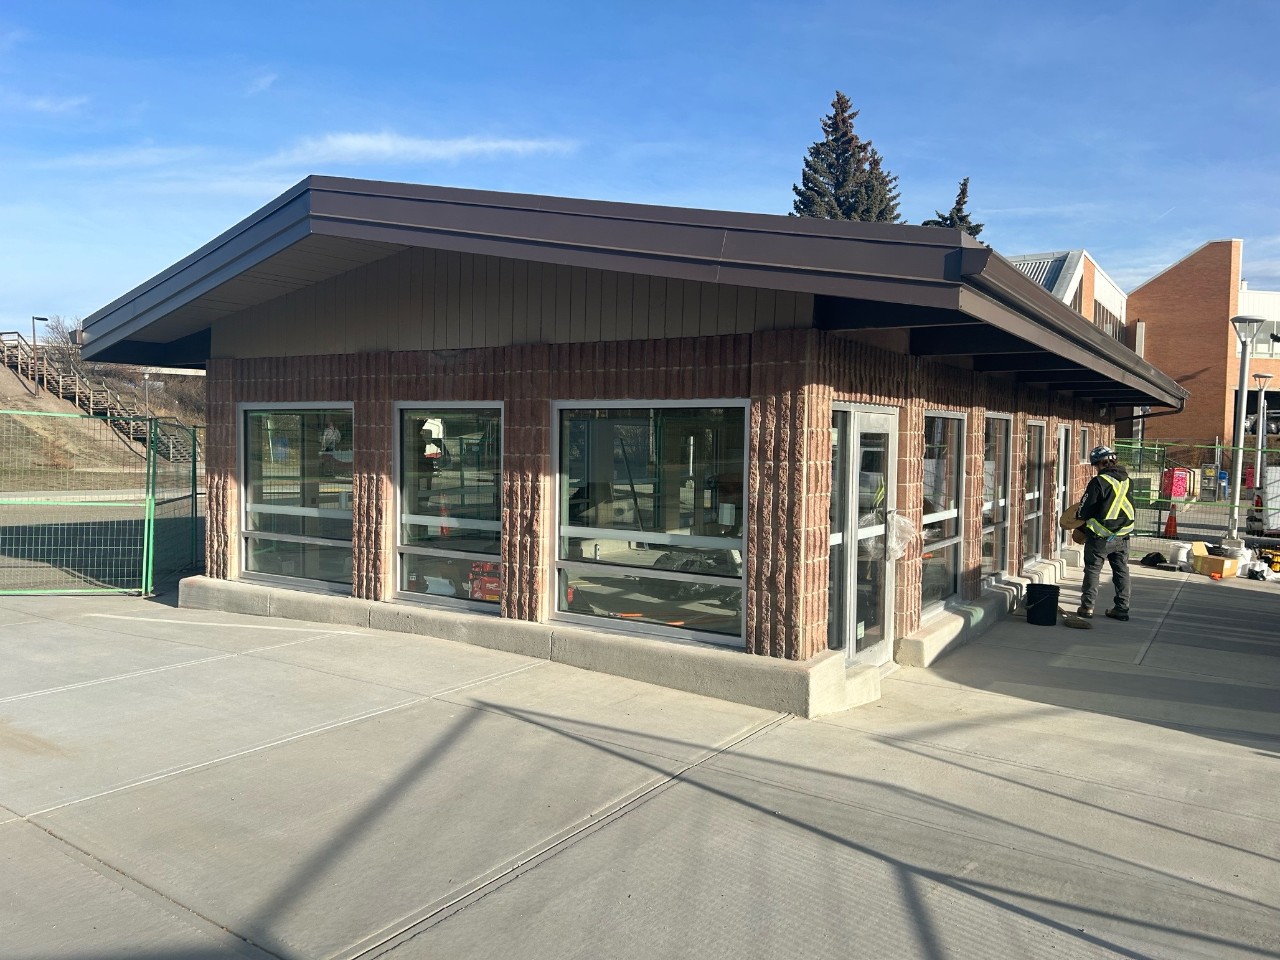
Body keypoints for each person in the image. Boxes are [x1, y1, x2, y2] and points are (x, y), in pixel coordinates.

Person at [1076, 444, 1136, 621]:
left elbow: (1083, 510)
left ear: (1100, 464)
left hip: (1100, 537)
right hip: (1123, 536)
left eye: (1095, 466)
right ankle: (1122, 609)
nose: (1095, 469)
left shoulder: (1098, 482)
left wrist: (1079, 519)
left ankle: (1087, 607)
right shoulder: (1127, 481)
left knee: (1093, 571)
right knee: (1121, 571)